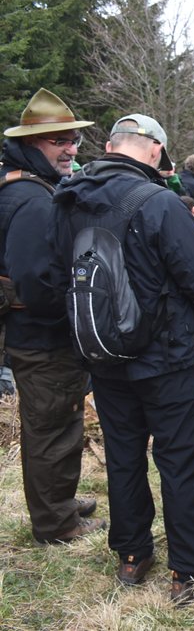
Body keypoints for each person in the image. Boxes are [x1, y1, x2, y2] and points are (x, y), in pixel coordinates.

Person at [49, 113, 194, 600]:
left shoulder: (68, 199)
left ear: (109, 146)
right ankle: (188, 569)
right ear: (154, 151)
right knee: (179, 460)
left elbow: (52, 274)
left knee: (124, 458)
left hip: (102, 356)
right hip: (165, 359)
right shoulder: (159, 203)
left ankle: (132, 555)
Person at [0, 88, 103, 544]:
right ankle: (56, 524)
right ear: (32, 142)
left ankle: (58, 502)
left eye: (74, 139)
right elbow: (35, 281)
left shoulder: (26, 186)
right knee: (51, 428)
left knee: (56, 423)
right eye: (59, 140)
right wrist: (72, 316)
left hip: (37, 334)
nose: (71, 149)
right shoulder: (32, 198)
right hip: (42, 336)